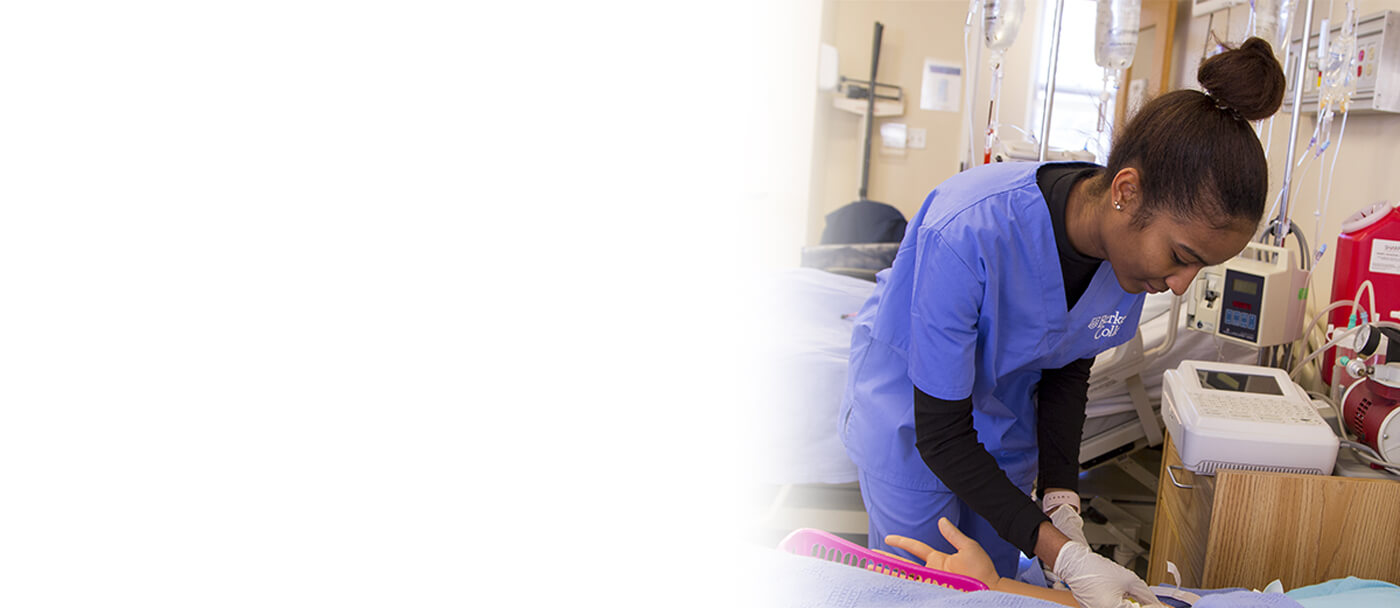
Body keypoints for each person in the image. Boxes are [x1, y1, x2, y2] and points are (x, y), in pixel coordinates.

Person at [838, 37, 1287, 608]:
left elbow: (1068, 368)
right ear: (1127, 191)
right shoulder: (969, 231)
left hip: (1001, 428)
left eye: (1201, 267)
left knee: (997, 591)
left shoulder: (1127, 263)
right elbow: (942, 433)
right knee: (925, 590)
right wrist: (1060, 552)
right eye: (1181, 256)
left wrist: (1061, 501)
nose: (1180, 285)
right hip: (912, 422)